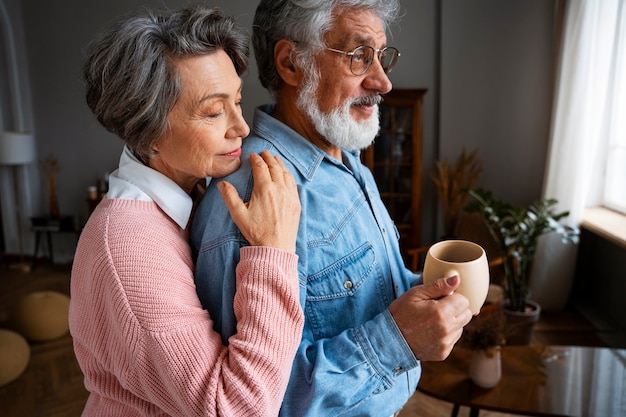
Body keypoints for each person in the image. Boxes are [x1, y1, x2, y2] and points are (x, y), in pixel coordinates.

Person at [191, 0, 474, 415]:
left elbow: (361, 293)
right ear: (291, 64)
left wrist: (430, 296)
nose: (382, 82)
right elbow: (253, 402)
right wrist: (398, 339)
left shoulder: (345, 158)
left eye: (381, 57)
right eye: (359, 57)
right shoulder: (254, 194)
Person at [69, 5, 304, 416]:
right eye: (213, 112)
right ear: (148, 129)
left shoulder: (196, 195)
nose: (241, 127)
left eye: (237, 100)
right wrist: (274, 251)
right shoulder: (128, 247)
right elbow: (234, 408)